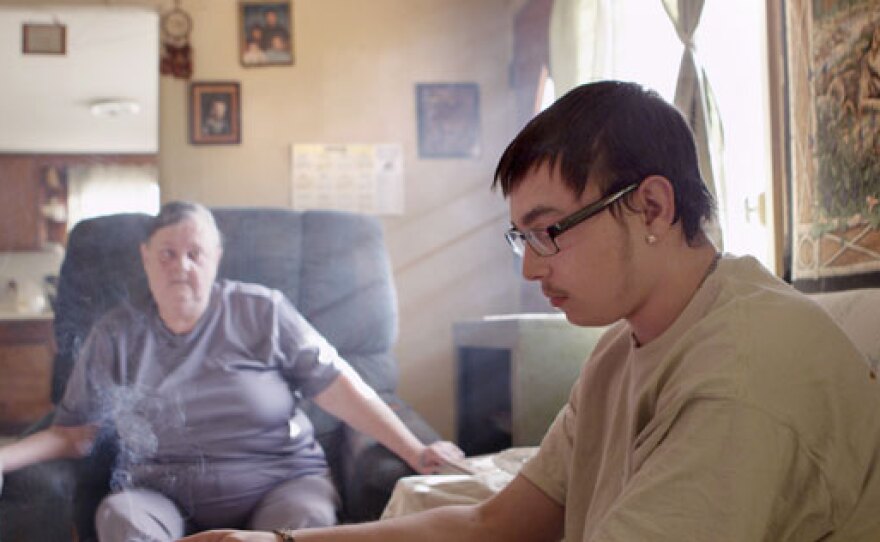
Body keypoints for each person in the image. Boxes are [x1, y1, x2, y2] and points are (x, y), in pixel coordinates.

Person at [180, 80, 880, 542]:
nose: (530, 265)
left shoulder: (745, 373)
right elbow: (495, 523)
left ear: (653, 207)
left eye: (549, 231)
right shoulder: (624, 346)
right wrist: (276, 540)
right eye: (522, 237)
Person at [0, 201, 463, 541]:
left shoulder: (262, 310)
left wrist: (417, 450)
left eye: (195, 253)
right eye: (166, 253)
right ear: (145, 258)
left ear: (216, 258)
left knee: (304, 525)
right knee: (121, 519)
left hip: (280, 484)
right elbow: (75, 433)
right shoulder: (115, 333)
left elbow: (339, 388)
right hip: (160, 494)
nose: (181, 264)